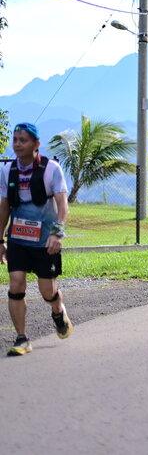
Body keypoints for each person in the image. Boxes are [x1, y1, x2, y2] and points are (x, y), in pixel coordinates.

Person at [0, 122, 72, 356]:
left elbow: (62, 205)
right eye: (15, 140)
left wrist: (57, 233)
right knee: (16, 284)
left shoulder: (51, 169)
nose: (17, 144)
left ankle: (58, 310)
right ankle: (22, 338)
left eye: (23, 140)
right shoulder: (7, 170)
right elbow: (4, 207)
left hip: (45, 241)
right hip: (18, 240)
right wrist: (0, 240)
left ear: (36, 144)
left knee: (47, 292)